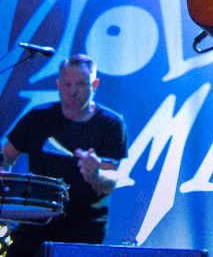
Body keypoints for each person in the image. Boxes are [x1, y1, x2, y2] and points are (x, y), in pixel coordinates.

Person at [1, 54, 128, 257]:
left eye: (81, 84)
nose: (73, 91)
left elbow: (110, 182)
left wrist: (95, 176)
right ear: (59, 85)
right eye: (68, 84)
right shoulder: (37, 117)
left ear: (94, 84)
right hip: (35, 225)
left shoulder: (111, 124)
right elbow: (5, 157)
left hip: (84, 229)